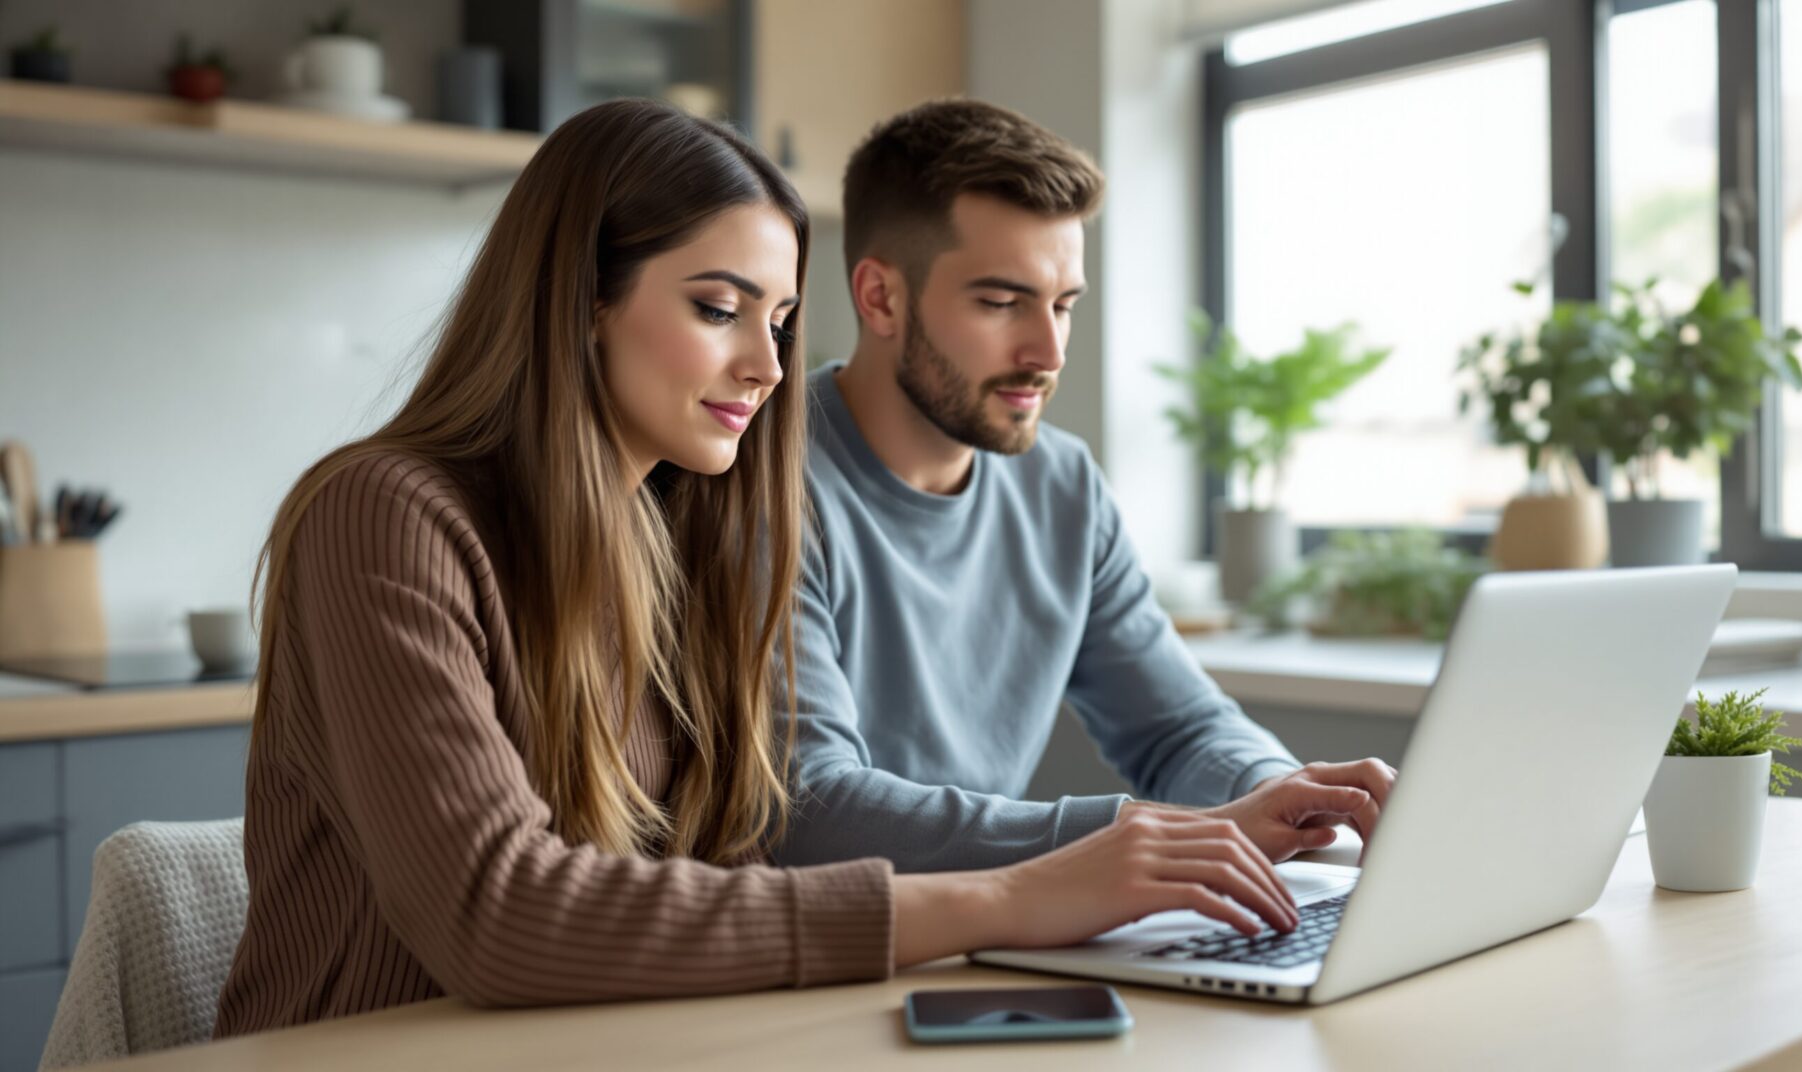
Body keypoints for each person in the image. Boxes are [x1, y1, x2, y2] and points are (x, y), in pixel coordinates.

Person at [215, 99, 1305, 1038]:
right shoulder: (387, 516)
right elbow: (503, 914)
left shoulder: (663, 525)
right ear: (580, 301)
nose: (769, 364)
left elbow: (728, 860)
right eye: (718, 308)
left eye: (780, 320)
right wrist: (1014, 895)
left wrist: (1253, 818)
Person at [774, 99, 1397, 875]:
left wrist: (1285, 795)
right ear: (881, 298)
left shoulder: (1061, 485)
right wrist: (1145, 841)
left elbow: (1179, 728)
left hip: (997, 944)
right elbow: (814, 809)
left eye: (1064, 304)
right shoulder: (763, 484)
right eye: (1002, 303)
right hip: (836, 950)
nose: (1048, 349)